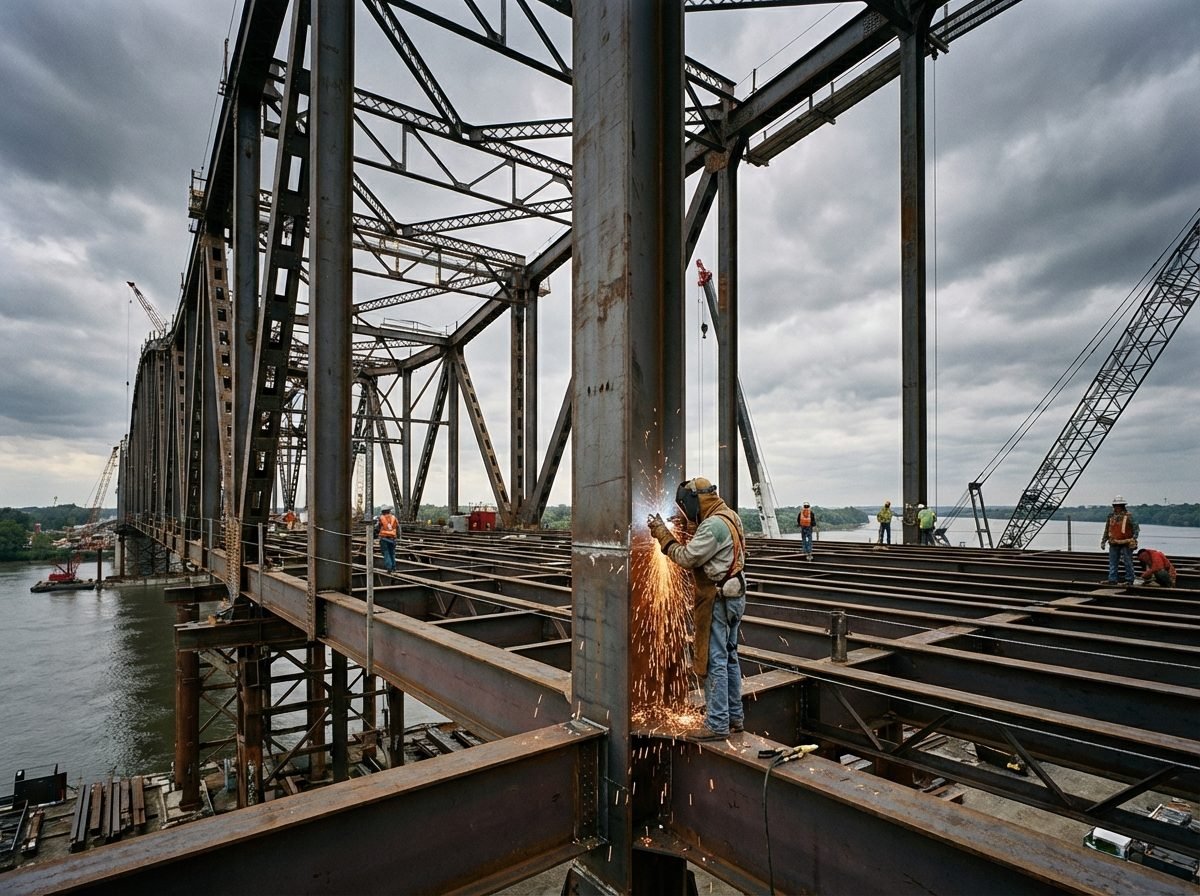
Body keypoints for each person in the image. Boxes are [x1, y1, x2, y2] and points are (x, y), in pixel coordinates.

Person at [648, 477, 747, 742]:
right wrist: (687, 525)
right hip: (735, 595)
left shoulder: (713, 527)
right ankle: (735, 717)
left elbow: (687, 557)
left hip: (718, 598)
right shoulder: (729, 516)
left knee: (714, 659)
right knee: (730, 656)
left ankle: (716, 724)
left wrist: (663, 535)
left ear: (695, 501)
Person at [1100, 496, 1139, 585]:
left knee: (1127, 561)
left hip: (1126, 542)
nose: (1117, 507)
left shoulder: (1129, 516)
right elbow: (1107, 529)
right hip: (1114, 542)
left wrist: (1133, 539)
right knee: (1113, 562)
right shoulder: (1111, 516)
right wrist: (1103, 541)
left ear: (1122, 506)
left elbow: (1136, 529)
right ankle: (1112, 579)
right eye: (1116, 505)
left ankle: (1129, 579)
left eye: (1119, 505)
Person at [374, 507, 399, 572]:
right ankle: (394, 568)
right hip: (392, 538)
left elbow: (377, 528)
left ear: (383, 512)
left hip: (384, 538)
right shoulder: (394, 518)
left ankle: (389, 568)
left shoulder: (381, 518)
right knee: (392, 553)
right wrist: (397, 537)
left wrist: (376, 535)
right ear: (389, 511)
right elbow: (398, 528)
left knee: (386, 553)